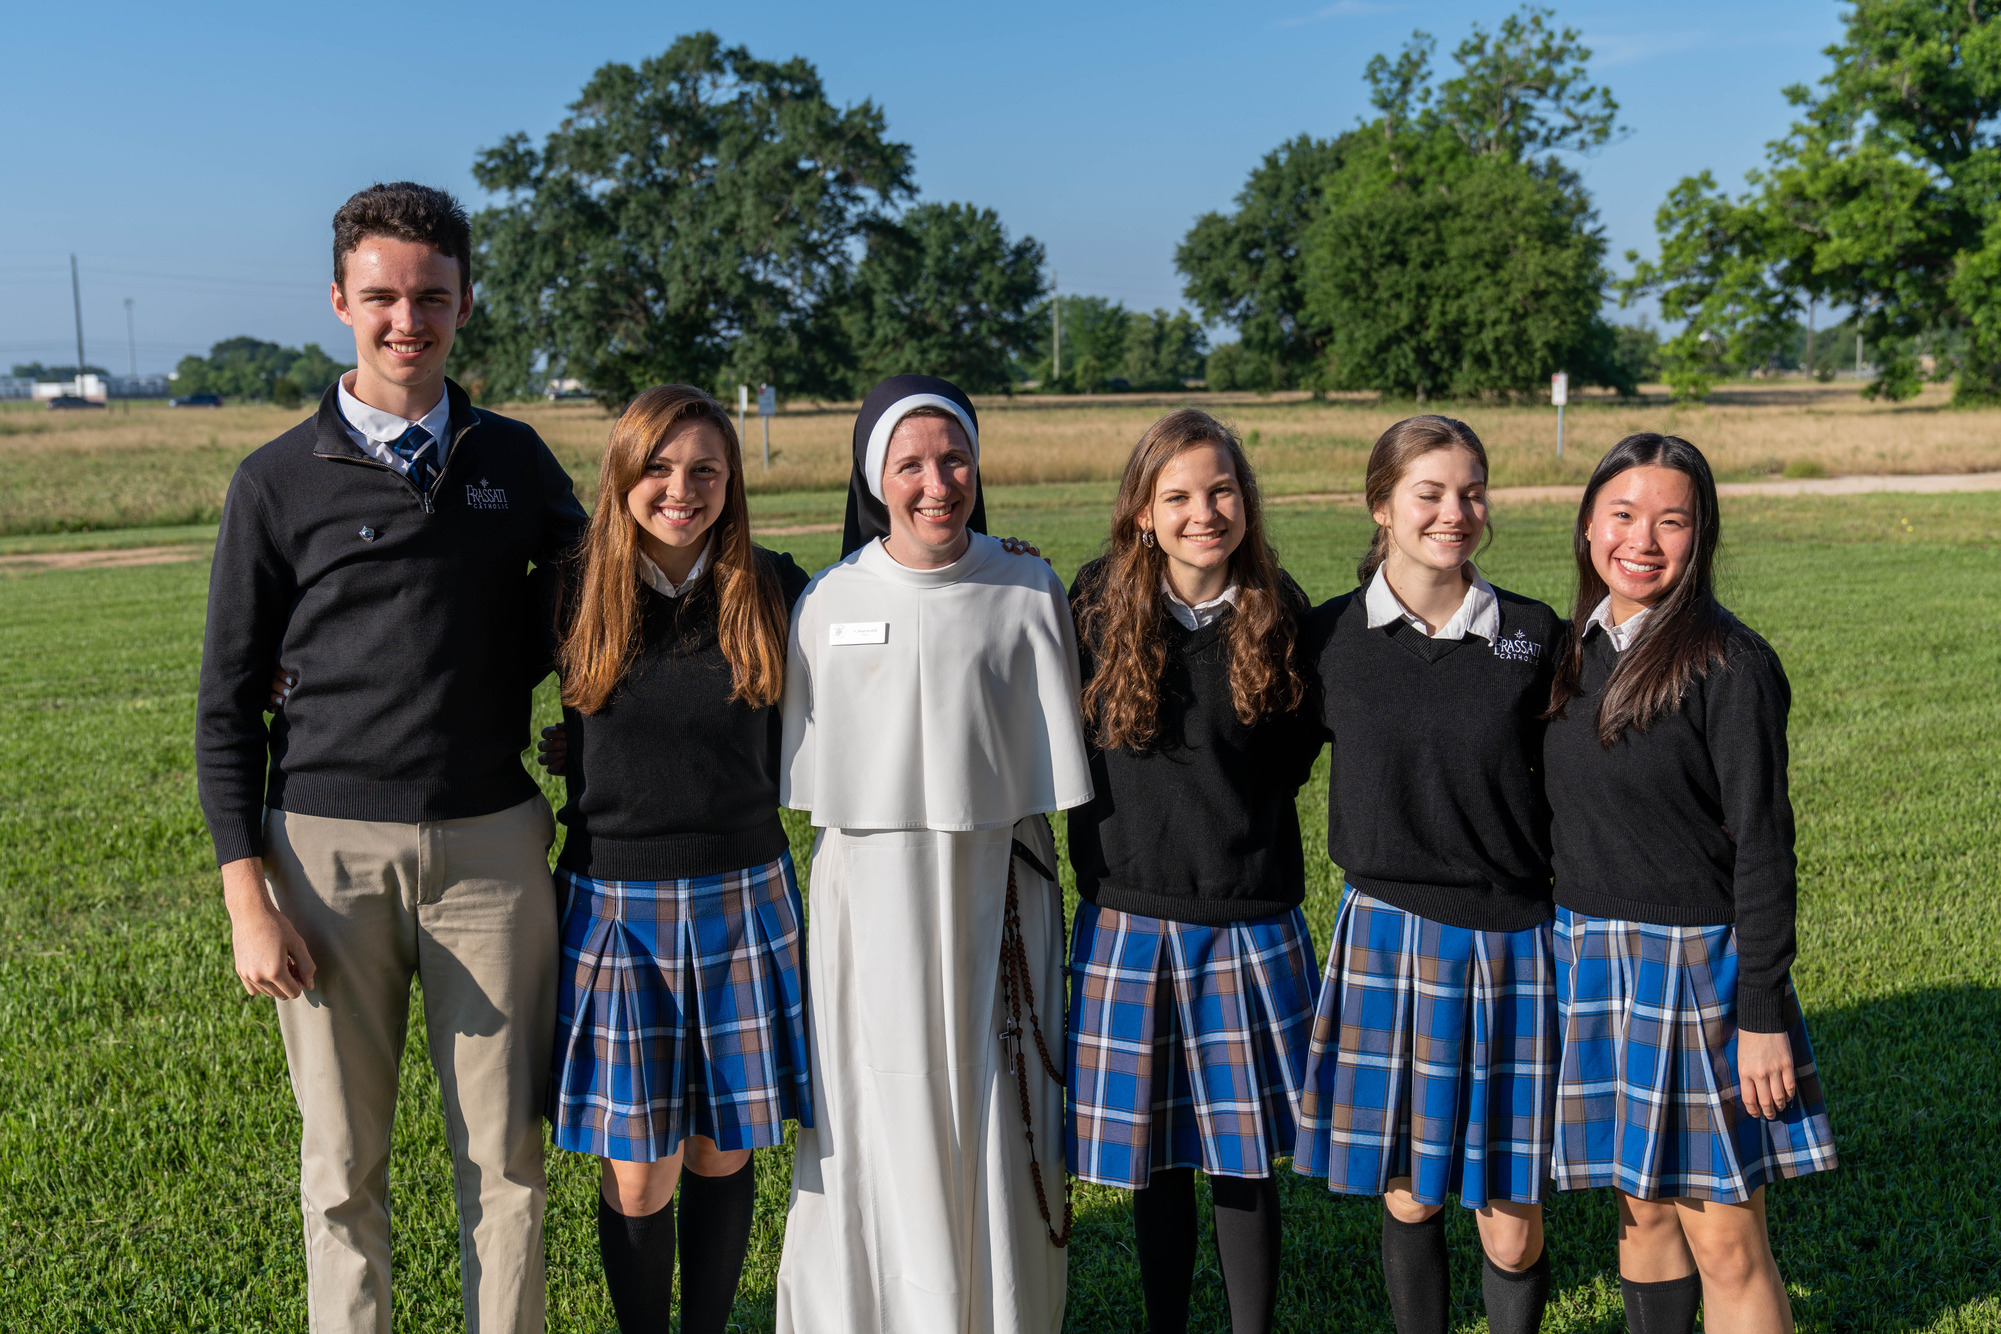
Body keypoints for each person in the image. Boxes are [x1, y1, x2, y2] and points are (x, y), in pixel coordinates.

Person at [195, 182, 587, 1334]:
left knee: (507, 1162)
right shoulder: (275, 479)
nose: (406, 319)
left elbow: (598, 598)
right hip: (324, 861)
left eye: (431, 296)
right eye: (381, 296)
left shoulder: (513, 458)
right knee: (341, 1166)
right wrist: (248, 900)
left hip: (493, 849)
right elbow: (224, 705)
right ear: (339, 300)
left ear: (465, 300)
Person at [772, 374, 1093, 1334]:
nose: (936, 483)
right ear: (875, 478)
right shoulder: (827, 600)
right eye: (909, 464)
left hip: (999, 889)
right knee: (877, 1101)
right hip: (869, 901)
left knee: (996, 1095)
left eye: (953, 460)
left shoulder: (1028, 586)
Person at [1542, 434, 1836, 1334]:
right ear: (1587, 522)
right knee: (1641, 1213)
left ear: (1700, 535)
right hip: (1586, 954)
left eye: (1671, 521)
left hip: (1695, 970)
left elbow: (1763, 848)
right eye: (1622, 514)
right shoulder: (1568, 651)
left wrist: (1760, 1014)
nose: (1641, 540)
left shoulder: (1727, 663)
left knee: (1725, 1240)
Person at [538, 385, 812, 1333]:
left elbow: (895, 612)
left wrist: (991, 555)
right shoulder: (569, 587)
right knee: (640, 1169)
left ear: (731, 483)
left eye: (704, 470)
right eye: (657, 468)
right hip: (615, 905)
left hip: (745, 895)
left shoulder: (773, 585)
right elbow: (450, 667)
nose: (680, 490)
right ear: (621, 474)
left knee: (721, 1150)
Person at [1290, 416, 1563, 1334]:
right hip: (1387, 930)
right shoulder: (1328, 636)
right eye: (1430, 493)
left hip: (1514, 938)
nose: (1455, 512)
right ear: (1381, 506)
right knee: (1409, 1192)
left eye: (1471, 493)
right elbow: (1259, 763)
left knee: (1510, 1220)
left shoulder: (1533, 633)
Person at [1064, 409, 1320, 1334]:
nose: (1202, 512)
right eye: (1176, 496)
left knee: (1242, 1164)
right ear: (1141, 512)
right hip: (1127, 917)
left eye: (1220, 491)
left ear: (1245, 501)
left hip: (1245, 917)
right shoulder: (1090, 605)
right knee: (1156, 1159)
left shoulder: (1280, 609)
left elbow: (1291, 756)